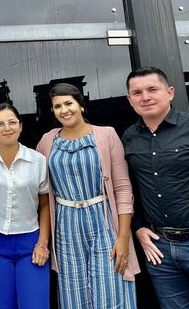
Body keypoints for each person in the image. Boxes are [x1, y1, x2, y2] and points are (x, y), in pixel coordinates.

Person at [123, 67, 189, 309]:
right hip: (159, 251)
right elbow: (132, 187)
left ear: (170, 92)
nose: (145, 97)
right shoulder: (129, 137)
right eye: (137, 93)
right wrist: (138, 227)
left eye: (152, 89)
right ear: (130, 100)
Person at [36, 83, 138, 309]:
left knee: (110, 288)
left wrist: (123, 237)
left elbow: (122, 188)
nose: (64, 110)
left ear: (80, 105)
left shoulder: (106, 134)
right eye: (57, 106)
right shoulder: (47, 141)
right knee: (73, 294)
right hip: (65, 226)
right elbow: (31, 174)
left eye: (68, 103)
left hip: (103, 222)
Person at [0, 103, 50, 309]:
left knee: (35, 304)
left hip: (30, 243)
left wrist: (42, 243)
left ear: (20, 126)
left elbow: (45, 205)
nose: (7, 128)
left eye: (12, 122)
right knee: (1, 305)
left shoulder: (38, 160)